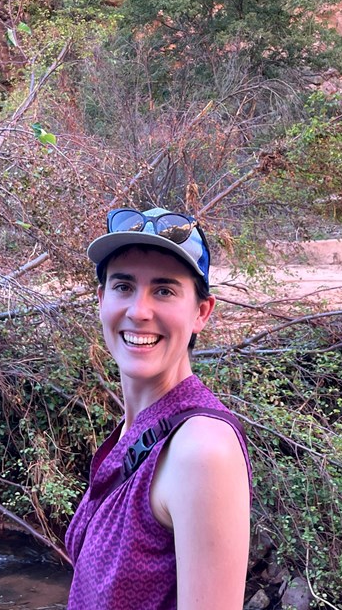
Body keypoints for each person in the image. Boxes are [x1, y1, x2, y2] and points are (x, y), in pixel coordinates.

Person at [65, 207, 252, 610]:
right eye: (123, 286)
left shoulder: (202, 449)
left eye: (164, 290)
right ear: (101, 300)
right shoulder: (138, 430)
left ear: (202, 312)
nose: (139, 311)